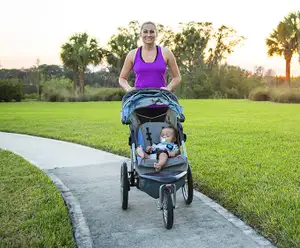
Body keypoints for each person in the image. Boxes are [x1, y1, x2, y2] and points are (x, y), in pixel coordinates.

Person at [119, 21, 181, 92]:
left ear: (156, 34)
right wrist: (129, 88)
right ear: (141, 34)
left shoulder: (166, 53)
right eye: (145, 32)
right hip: (139, 97)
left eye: (151, 32)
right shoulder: (132, 54)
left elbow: (177, 77)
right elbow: (122, 78)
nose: (148, 35)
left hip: (160, 97)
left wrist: (168, 88)